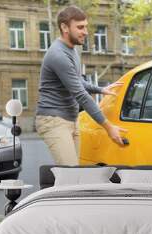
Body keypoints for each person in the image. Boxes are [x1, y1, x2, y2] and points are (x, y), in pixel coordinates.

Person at [36, 5, 127, 165]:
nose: (85, 32)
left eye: (85, 26)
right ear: (64, 27)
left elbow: (77, 81)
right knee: (71, 175)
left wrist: (100, 89)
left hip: (71, 119)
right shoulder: (58, 55)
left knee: (75, 173)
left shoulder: (72, 50)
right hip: (54, 121)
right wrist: (108, 127)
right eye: (80, 27)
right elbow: (81, 95)